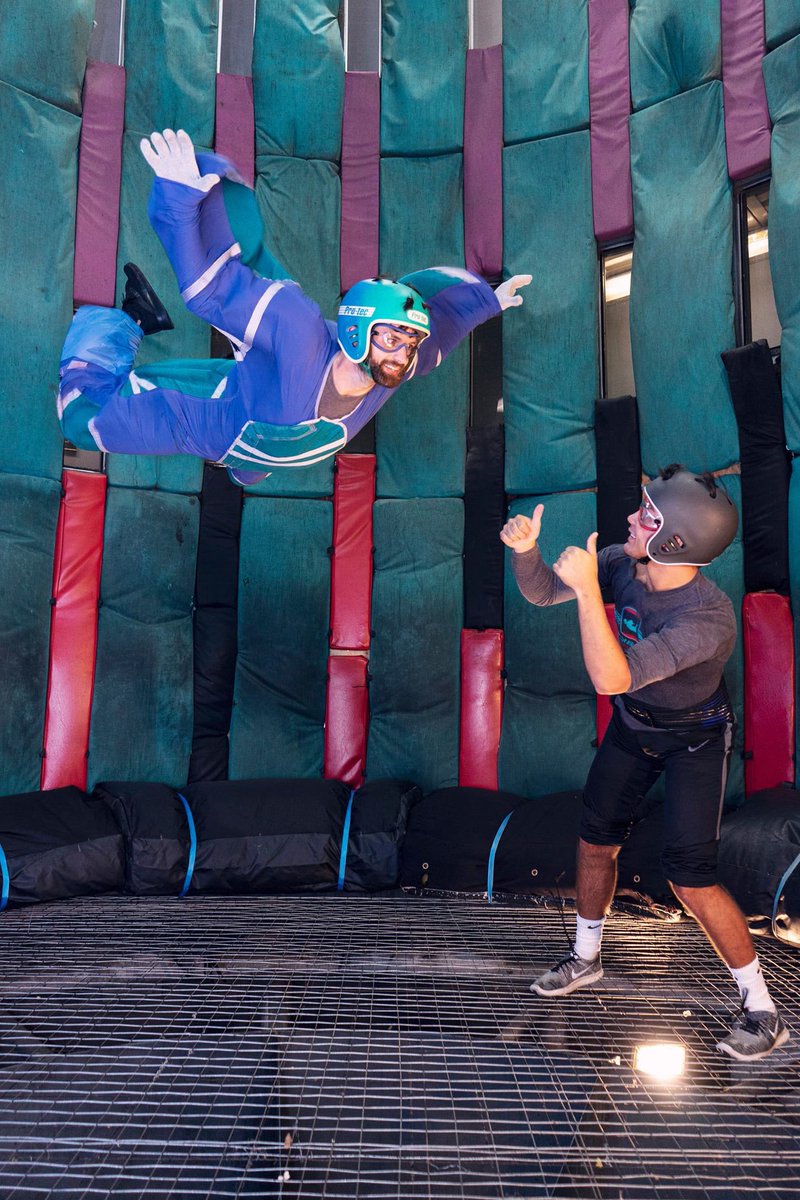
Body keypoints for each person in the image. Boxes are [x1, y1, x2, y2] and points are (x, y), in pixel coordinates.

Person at [500, 465, 789, 1062]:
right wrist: (526, 552)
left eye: (647, 515)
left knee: (690, 878)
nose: (632, 518)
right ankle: (585, 958)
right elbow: (543, 591)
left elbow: (612, 676)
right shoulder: (624, 564)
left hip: (694, 740)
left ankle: (763, 1009)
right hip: (635, 726)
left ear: (674, 542)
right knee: (594, 840)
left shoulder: (708, 618)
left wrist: (588, 593)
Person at [57, 128, 531, 486]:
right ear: (356, 332)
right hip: (201, 419)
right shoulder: (297, 330)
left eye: (407, 343)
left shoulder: (390, 370)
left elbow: (437, 334)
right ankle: (125, 320)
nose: (402, 355)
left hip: (249, 427)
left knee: (245, 463)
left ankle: (238, 455)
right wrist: (179, 201)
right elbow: (210, 291)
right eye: (392, 338)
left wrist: (484, 302)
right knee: (81, 417)